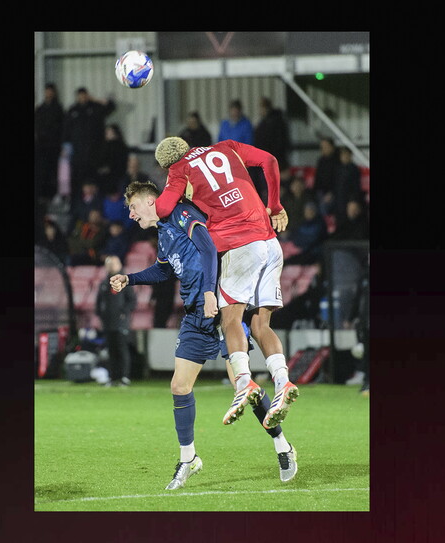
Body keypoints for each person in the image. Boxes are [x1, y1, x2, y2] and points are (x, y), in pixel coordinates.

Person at [111, 181, 297, 488]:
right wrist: (129, 279)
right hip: (195, 315)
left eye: (133, 207)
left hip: (221, 309)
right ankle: (189, 459)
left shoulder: (182, 214)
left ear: (150, 201)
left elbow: (209, 247)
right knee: (179, 386)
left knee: (244, 387)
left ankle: (283, 446)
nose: (131, 215)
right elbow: (164, 270)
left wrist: (210, 292)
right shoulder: (164, 233)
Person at [152, 136, 300, 432]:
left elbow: (163, 208)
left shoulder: (179, 169)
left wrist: (174, 191)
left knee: (230, 319)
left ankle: (243, 383)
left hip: (239, 244)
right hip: (270, 243)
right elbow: (269, 160)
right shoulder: (226, 147)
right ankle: (283, 381)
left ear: (167, 165)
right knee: (260, 325)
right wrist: (274, 205)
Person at [64, 87, 116, 203]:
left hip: (94, 154)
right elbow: (66, 130)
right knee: (77, 182)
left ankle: (95, 204)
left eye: (84, 95)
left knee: (94, 180)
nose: (82, 98)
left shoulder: (95, 107)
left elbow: (111, 107)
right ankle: (77, 204)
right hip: (78, 156)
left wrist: (96, 100)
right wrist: (65, 147)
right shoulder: (73, 110)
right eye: (80, 96)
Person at [96, 255, 136, 387]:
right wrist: (100, 314)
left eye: (113, 264)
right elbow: (99, 301)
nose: (111, 267)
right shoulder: (104, 283)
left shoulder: (124, 282)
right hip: (108, 323)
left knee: (122, 350)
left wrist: (124, 313)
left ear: (119, 265)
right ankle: (112, 377)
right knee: (111, 351)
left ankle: (125, 377)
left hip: (120, 323)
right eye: (109, 264)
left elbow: (132, 300)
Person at [34, 83, 64, 204]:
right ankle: (42, 195)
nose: (48, 93)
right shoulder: (40, 109)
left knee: (53, 171)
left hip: (53, 146)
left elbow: (62, 128)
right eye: (47, 91)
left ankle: (53, 194)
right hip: (41, 147)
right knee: (42, 171)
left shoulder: (58, 109)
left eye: (50, 91)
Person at [253, 97, 291, 173]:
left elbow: (278, 142)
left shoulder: (273, 123)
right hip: (267, 159)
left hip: (272, 159)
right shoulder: (266, 122)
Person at [95, 124, 129, 196]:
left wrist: (108, 168)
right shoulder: (105, 146)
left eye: (109, 132)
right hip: (108, 177)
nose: (107, 134)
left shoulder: (117, 147)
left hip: (115, 177)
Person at [332, 146, 363, 225]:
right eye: (342, 154)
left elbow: (356, 186)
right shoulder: (338, 169)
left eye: (346, 154)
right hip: (338, 199)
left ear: (350, 156)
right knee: (340, 221)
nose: (344, 156)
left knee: (350, 221)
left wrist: (353, 200)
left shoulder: (354, 169)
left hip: (349, 200)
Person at [312, 137, 340, 215]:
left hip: (333, 193)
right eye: (322, 147)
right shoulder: (321, 161)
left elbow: (339, 181)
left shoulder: (338, 161)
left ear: (332, 147)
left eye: (325, 147)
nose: (323, 149)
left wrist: (332, 193)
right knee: (310, 206)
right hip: (320, 192)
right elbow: (317, 180)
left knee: (323, 207)